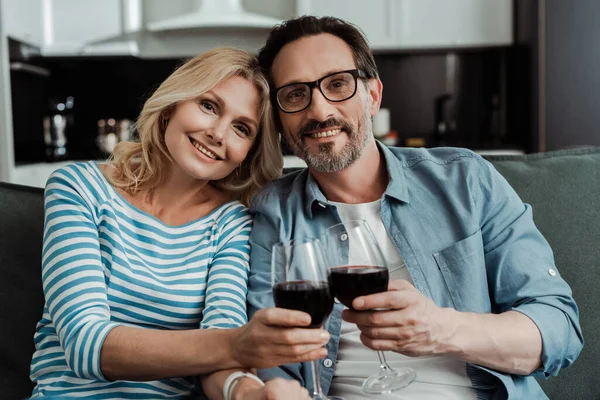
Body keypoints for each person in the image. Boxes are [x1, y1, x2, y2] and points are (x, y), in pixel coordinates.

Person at [247, 16, 583, 399]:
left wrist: (439, 328)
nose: (319, 110)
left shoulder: (465, 181)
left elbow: (558, 330)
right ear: (277, 118)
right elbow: (272, 362)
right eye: (294, 94)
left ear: (372, 96)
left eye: (337, 84)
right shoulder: (272, 213)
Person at [29, 47, 330, 400]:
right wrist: (238, 345)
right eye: (208, 106)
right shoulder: (78, 187)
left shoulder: (230, 223)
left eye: (241, 128)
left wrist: (250, 393)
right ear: (172, 105)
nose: (218, 133)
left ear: (247, 155)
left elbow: (222, 339)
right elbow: (86, 345)